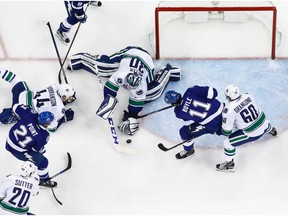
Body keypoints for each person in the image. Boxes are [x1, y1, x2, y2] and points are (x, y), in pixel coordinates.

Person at [67, 46, 181, 136]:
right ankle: (80, 59)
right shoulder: (121, 75)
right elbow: (110, 87)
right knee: (103, 67)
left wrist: (131, 115)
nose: (128, 88)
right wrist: (109, 100)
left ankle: (168, 71)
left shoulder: (141, 86)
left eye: (132, 87)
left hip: (147, 63)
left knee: (152, 93)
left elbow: (136, 103)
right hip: (131, 53)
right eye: (127, 84)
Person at [216, 84, 277, 172]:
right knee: (262, 120)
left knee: (227, 143)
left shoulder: (228, 110)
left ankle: (229, 164)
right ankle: (272, 130)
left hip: (253, 133)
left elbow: (227, 131)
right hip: (264, 123)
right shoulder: (248, 95)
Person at [0, 67, 76, 132]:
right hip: (23, 110)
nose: (70, 100)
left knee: (16, 80)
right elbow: (52, 128)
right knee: (5, 118)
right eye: (69, 98)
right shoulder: (59, 109)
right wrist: (63, 118)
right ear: (64, 97)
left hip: (22, 95)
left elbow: (56, 91)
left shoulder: (53, 86)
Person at [164, 85, 224, 159]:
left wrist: (181, 106)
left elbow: (185, 119)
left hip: (213, 125)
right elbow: (213, 92)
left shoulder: (178, 112)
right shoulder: (191, 91)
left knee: (184, 132)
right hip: (224, 111)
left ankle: (189, 150)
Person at [5, 103, 57, 188]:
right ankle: (44, 181)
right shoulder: (44, 135)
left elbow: (15, 107)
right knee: (43, 162)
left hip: (8, 141)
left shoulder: (30, 114)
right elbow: (37, 150)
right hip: (18, 151)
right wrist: (42, 150)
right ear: (46, 124)